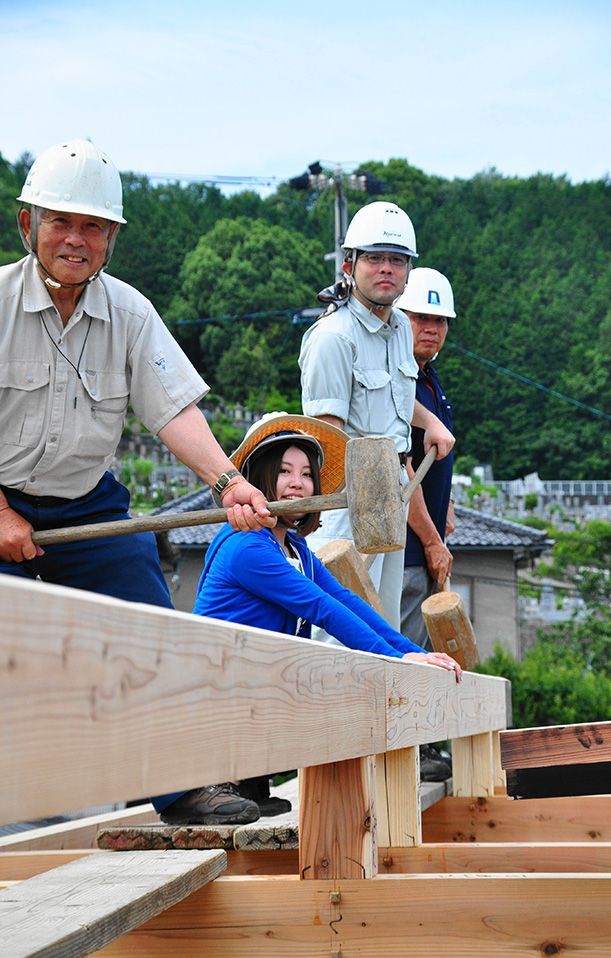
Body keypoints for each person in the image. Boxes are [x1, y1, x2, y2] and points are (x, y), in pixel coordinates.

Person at [0, 139, 272, 607]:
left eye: (93, 226)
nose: (75, 239)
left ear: (110, 238)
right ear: (29, 224)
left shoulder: (132, 313)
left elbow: (172, 411)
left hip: (85, 506)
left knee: (148, 616)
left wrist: (229, 483)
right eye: (60, 221)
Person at [154, 412, 462, 825]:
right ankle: (216, 782)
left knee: (298, 672)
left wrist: (410, 652)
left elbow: (348, 602)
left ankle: (248, 781)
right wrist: (398, 660)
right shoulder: (247, 546)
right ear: (260, 480)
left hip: (254, 688)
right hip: (215, 693)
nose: (297, 483)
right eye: (282, 472)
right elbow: (322, 609)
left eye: (305, 474)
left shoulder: (295, 549)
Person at [298, 201, 455, 631]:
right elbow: (327, 440)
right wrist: (375, 492)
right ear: (349, 263)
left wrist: (430, 422)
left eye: (397, 260)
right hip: (347, 506)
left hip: (391, 500)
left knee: (381, 624)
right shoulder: (332, 338)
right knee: (339, 626)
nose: (386, 268)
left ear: (407, 271)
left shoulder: (401, 328)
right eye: (374, 258)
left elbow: (397, 395)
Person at [396, 268, 457, 783]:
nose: (431, 328)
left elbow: (433, 462)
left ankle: (421, 745)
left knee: (423, 644)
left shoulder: (431, 380)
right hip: (409, 548)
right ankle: (410, 751)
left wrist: (447, 508)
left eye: (439, 320)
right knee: (410, 647)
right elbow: (398, 476)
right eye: (421, 317)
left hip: (426, 537)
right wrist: (433, 540)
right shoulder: (400, 382)